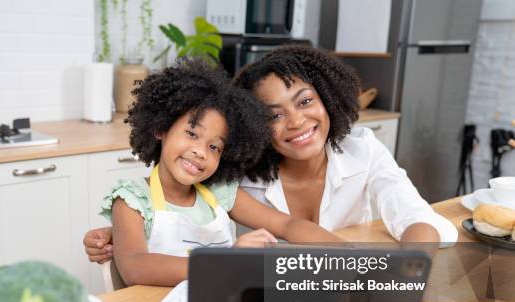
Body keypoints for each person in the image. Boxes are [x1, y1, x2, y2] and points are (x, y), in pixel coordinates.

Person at [85, 45, 457, 265]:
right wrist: (125, 229)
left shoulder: (364, 150)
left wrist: (392, 267)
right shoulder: (232, 175)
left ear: (328, 98)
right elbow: (173, 211)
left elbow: (413, 214)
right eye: (273, 115)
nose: (296, 122)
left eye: (306, 101)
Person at [102, 58, 339, 286]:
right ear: (161, 129)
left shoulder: (219, 193)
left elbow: (288, 226)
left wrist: (353, 257)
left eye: (214, 147)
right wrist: (224, 263)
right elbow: (135, 267)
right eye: (192, 134)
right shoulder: (132, 201)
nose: (201, 152)